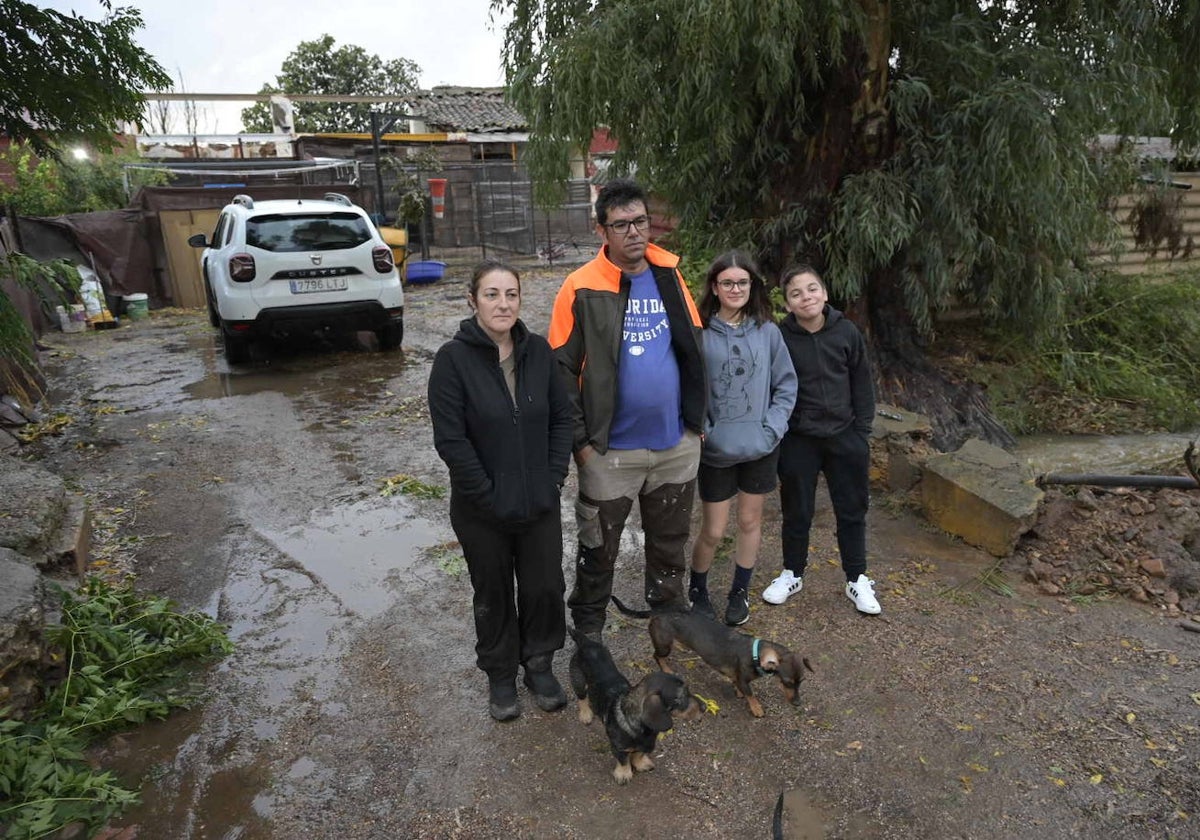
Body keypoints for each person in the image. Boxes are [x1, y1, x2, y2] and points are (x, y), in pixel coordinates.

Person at [548, 178, 707, 638]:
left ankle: (670, 627)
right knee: (598, 549)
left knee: (669, 547)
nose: (634, 232)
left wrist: (696, 423)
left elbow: (694, 351)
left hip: (674, 446)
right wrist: (581, 446)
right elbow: (560, 371)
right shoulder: (579, 288)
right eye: (621, 225)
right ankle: (589, 633)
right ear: (603, 232)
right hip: (609, 452)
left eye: (640, 221)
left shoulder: (669, 276)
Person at [428, 260, 574, 721]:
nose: (502, 303)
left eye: (510, 294)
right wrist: (486, 494)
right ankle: (499, 675)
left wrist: (553, 477)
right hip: (481, 508)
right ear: (472, 300)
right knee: (492, 592)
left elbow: (561, 419)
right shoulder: (452, 361)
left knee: (544, 587)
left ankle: (539, 664)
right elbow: (451, 440)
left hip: (539, 501)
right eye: (491, 294)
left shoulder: (539, 352)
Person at [764, 263, 881, 615]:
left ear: (825, 293)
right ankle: (792, 573)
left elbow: (862, 384)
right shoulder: (780, 338)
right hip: (800, 438)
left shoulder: (846, 332)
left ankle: (857, 578)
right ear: (787, 303)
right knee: (797, 510)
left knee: (852, 509)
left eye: (812, 289)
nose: (806, 297)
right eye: (796, 293)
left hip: (845, 436)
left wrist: (861, 432)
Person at [687, 250, 797, 626]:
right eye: (727, 283)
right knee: (714, 529)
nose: (736, 289)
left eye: (743, 282)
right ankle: (697, 590)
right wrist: (704, 430)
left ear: (753, 286)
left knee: (750, 522)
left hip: (760, 446)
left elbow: (786, 385)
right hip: (716, 448)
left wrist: (772, 429)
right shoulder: (699, 333)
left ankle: (739, 591)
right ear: (715, 288)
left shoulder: (768, 331)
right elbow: (689, 387)